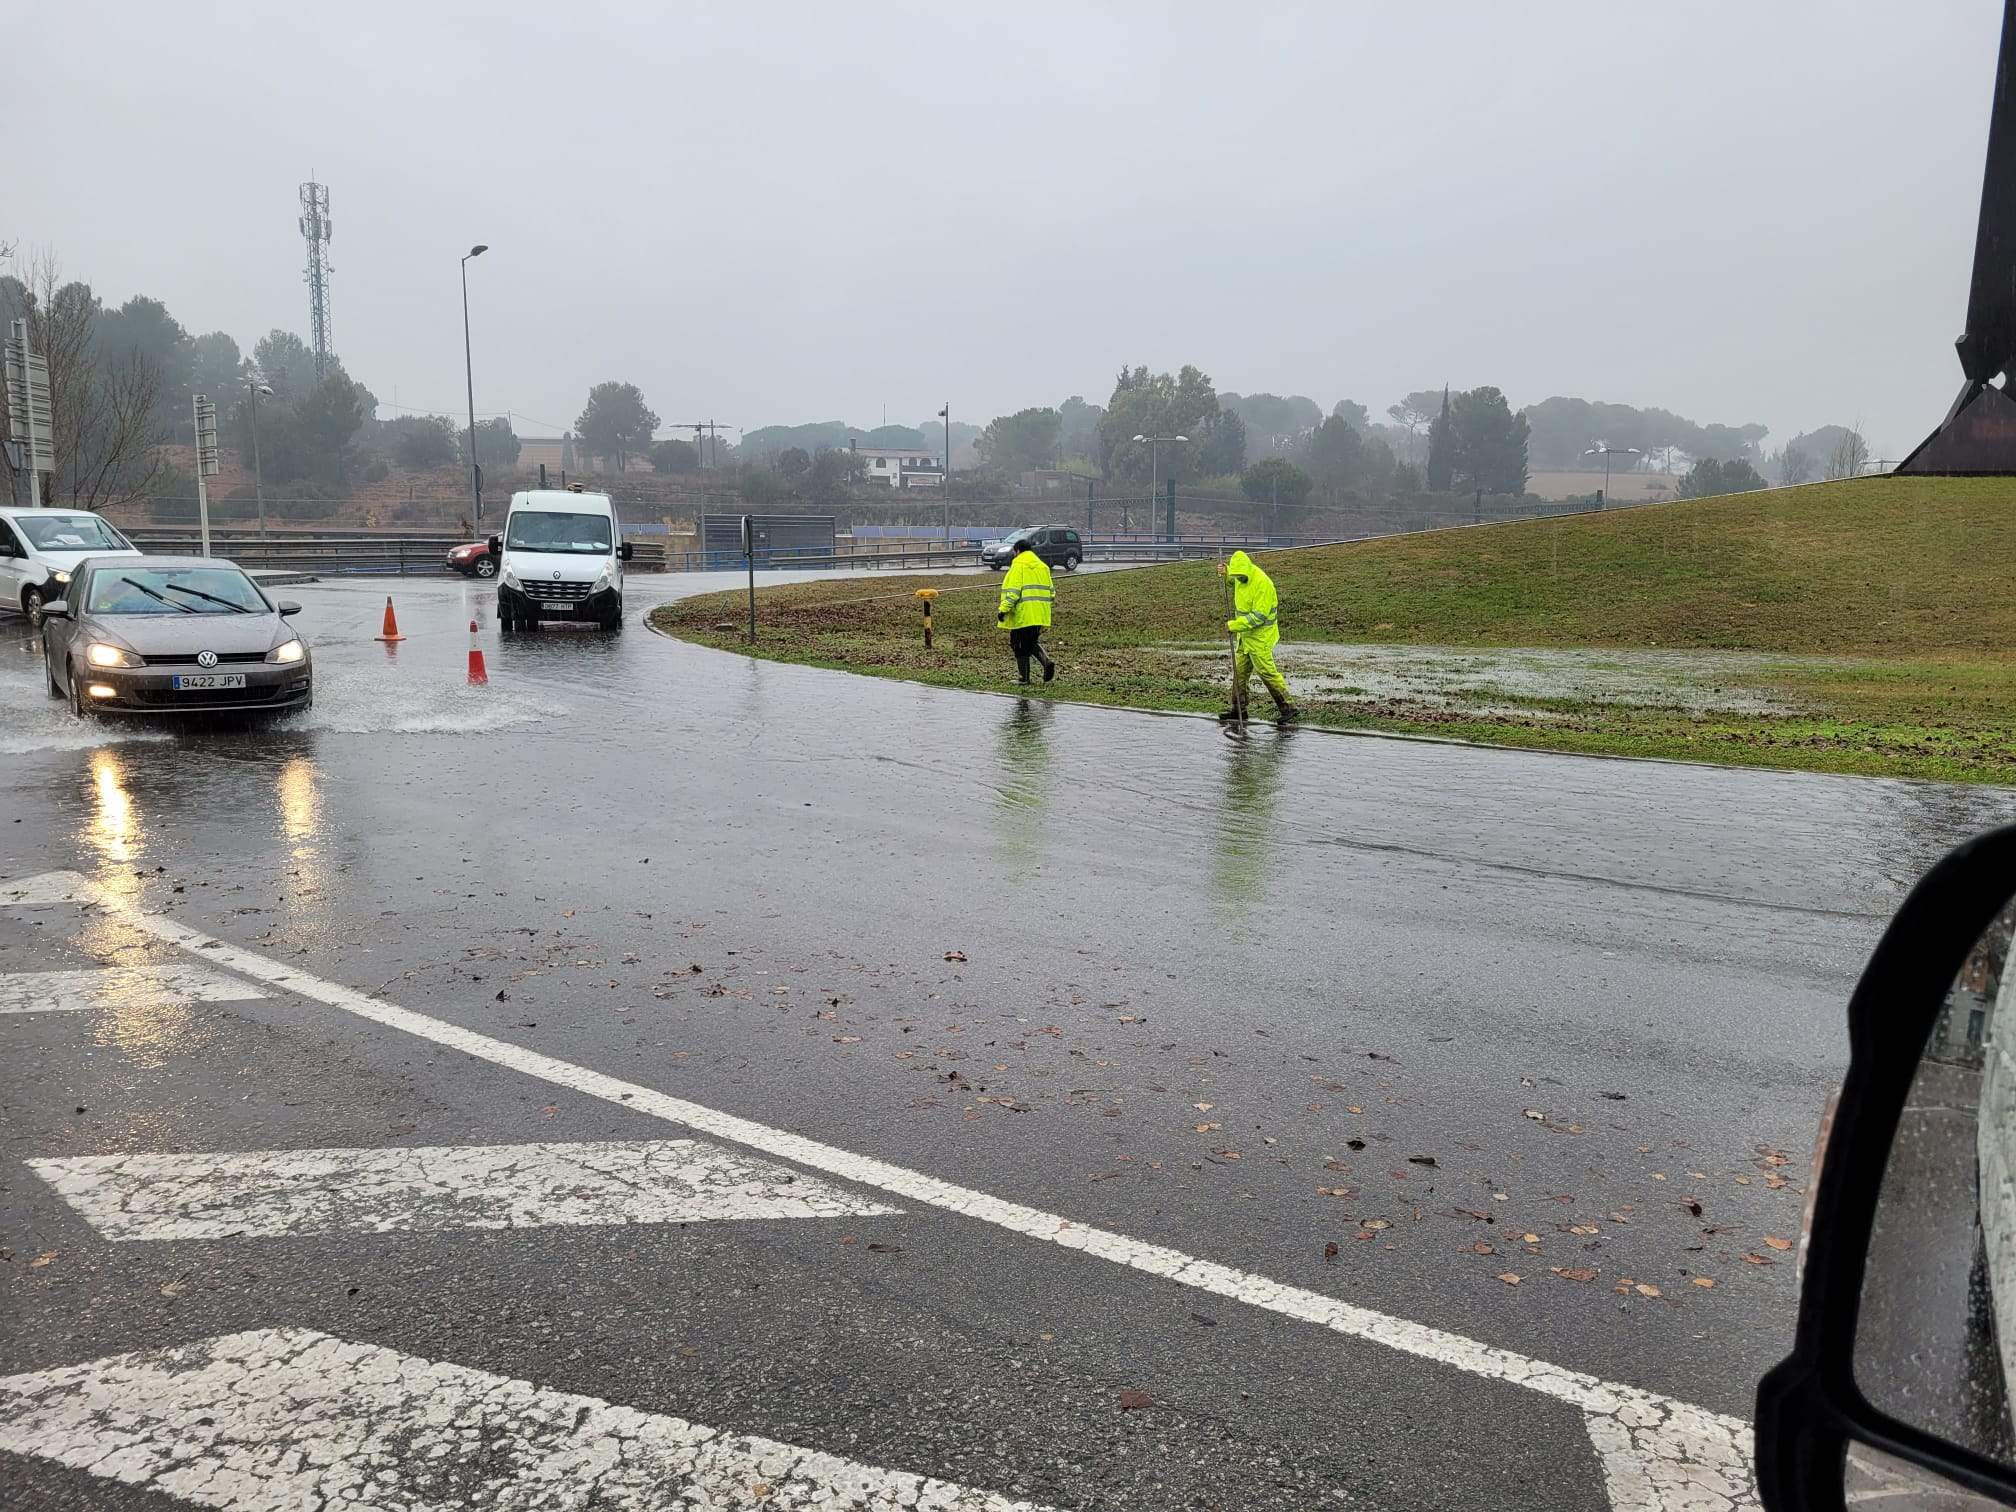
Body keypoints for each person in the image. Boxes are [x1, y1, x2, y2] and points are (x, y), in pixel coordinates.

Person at [1222, 549, 1299, 723]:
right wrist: (1227, 574)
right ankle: (1238, 709)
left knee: (1266, 672)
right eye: (1236, 576)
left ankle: (1289, 707)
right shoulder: (1240, 576)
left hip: (1261, 636)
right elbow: (1234, 582)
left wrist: (1234, 625)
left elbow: (1259, 616)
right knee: (1239, 673)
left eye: (1240, 576)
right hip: (1245, 636)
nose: (1238, 579)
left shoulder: (1263, 584)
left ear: (1248, 570)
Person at [997, 539, 1057, 684]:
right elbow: (1051, 593)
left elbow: (1013, 592)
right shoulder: (1043, 567)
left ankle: (1024, 678)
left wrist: (1003, 609)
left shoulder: (1018, 566)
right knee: (1030, 642)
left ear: (1017, 551)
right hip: (1039, 613)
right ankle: (1046, 662)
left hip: (1022, 614)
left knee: (1018, 644)